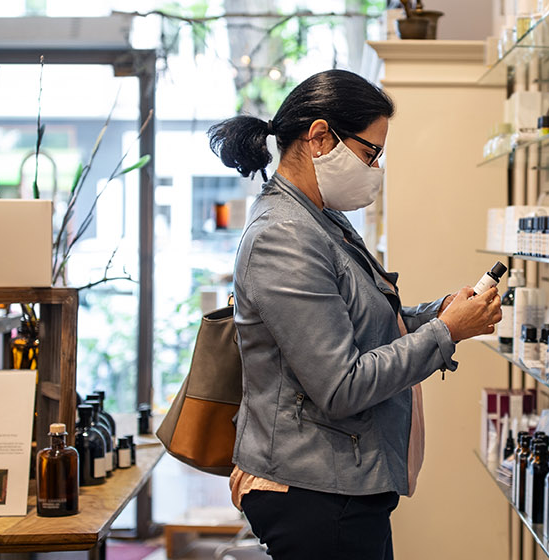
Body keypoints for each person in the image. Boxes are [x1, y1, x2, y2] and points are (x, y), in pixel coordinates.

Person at [207, 69, 503, 560]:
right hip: (314, 491)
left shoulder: (321, 218)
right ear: (321, 137)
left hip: (339, 481)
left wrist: (440, 313)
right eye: (371, 153)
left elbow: (361, 317)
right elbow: (341, 386)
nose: (376, 169)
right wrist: (446, 332)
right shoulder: (285, 237)